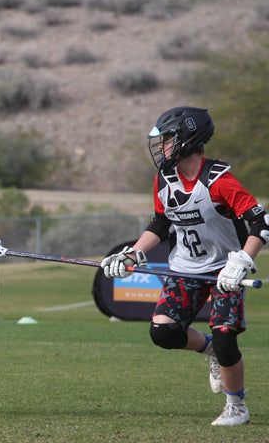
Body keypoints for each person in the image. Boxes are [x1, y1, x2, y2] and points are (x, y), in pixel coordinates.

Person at [101, 106, 267, 426]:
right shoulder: (164, 179)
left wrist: (242, 261)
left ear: (188, 140)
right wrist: (133, 254)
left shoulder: (220, 179)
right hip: (185, 268)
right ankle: (211, 353)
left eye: (166, 140)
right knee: (164, 332)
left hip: (224, 271)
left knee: (225, 335)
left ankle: (236, 406)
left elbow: (261, 224)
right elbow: (161, 223)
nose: (160, 147)